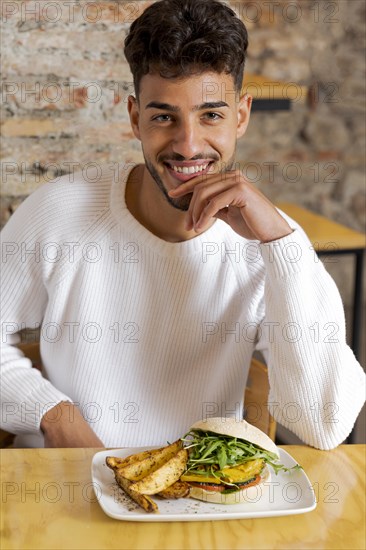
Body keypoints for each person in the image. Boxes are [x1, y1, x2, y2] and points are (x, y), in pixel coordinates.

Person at [1, 0, 364, 450]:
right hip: (69, 489)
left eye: (211, 114)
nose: (188, 146)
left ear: (242, 116)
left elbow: (324, 425)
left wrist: (281, 245)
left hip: (201, 496)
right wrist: (53, 415)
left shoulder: (271, 242)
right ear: (136, 118)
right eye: (163, 117)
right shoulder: (59, 211)